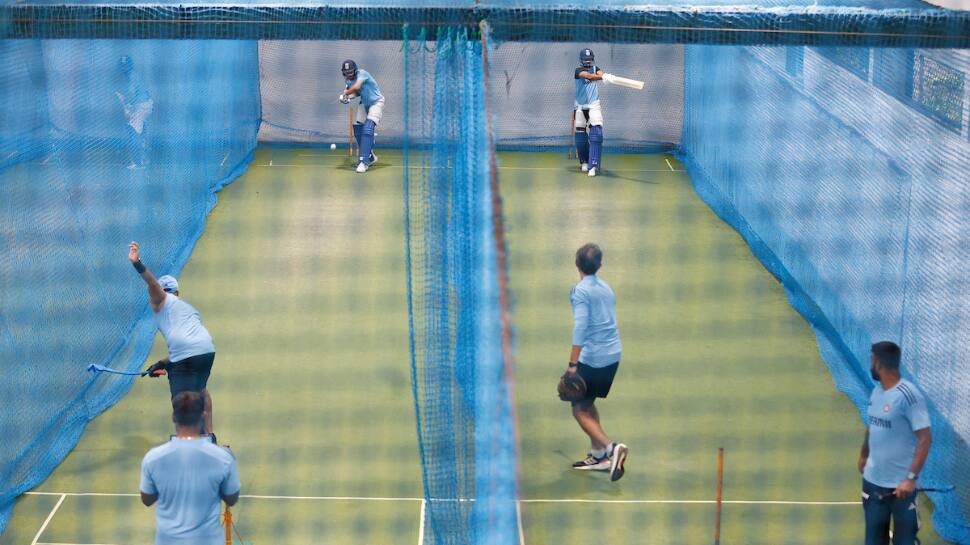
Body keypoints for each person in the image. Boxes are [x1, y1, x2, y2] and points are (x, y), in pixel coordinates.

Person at [129, 241, 218, 437]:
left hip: (187, 355)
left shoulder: (160, 301)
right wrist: (163, 363)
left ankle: (188, 439)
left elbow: (152, 284)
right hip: (206, 352)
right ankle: (209, 436)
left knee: (181, 400)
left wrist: (137, 263)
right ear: (177, 292)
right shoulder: (187, 308)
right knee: (201, 389)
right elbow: (190, 347)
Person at [140, 391, 240, 545]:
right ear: (202, 416)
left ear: (174, 417)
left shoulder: (153, 458)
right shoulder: (223, 458)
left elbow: (147, 499)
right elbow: (231, 498)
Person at [858, 341, 932, 545]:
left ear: (878, 362)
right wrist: (864, 454)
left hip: (901, 489)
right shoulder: (877, 392)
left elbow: (925, 438)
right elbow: (872, 426)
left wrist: (910, 479)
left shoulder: (909, 396)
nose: (871, 364)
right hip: (873, 484)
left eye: (872, 360)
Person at [566, 243, 627, 481]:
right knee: (589, 403)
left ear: (576, 263)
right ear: (599, 265)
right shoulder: (606, 287)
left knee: (579, 409)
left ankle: (612, 448)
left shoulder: (580, 291)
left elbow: (580, 327)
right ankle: (599, 455)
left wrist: (573, 365)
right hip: (613, 356)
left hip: (593, 358)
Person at [339, 59, 385, 173]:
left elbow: (357, 87)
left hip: (376, 102)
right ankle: (370, 156)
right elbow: (357, 92)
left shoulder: (362, 73)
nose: (349, 74)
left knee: (368, 128)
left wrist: (345, 94)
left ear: (355, 70)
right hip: (364, 103)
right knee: (358, 129)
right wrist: (348, 98)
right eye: (346, 72)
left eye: (351, 72)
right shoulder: (348, 81)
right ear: (343, 73)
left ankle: (364, 162)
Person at [116, 55, 153, 170]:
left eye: (125, 67)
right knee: (140, 131)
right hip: (147, 104)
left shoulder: (131, 77)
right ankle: (144, 159)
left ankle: (138, 163)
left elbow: (132, 96)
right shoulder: (134, 75)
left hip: (141, 106)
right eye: (123, 67)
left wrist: (127, 107)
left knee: (131, 131)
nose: (124, 69)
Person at [573, 48, 605, 178]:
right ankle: (584, 162)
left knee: (596, 134)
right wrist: (602, 77)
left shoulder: (595, 68)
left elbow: (600, 72)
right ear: (581, 60)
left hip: (594, 105)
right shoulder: (578, 71)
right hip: (580, 106)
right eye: (585, 59)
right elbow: (589, 76)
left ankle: (593, 165)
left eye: (590, 59)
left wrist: (604, 75)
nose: (588, 62)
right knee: (580, 137)